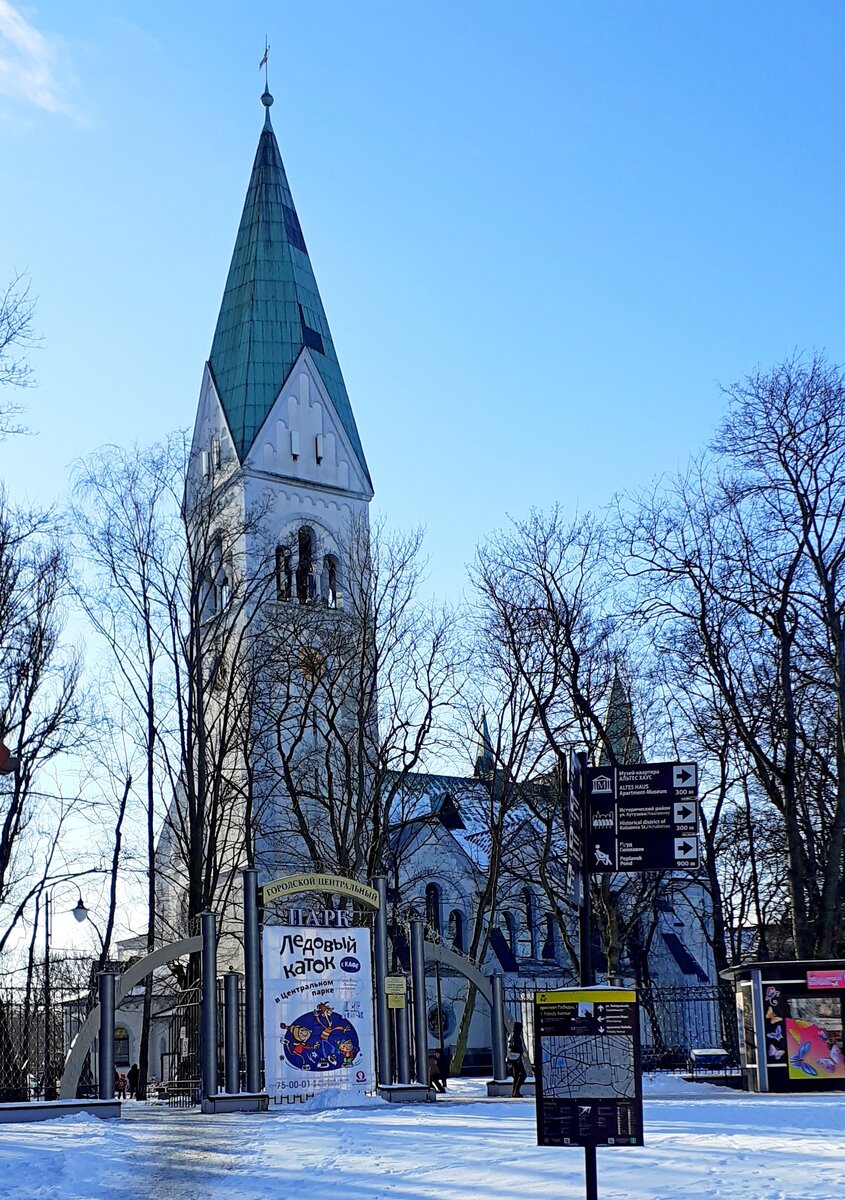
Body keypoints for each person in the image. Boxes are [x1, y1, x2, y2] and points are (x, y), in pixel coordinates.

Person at [507, 1022, 527, 1098]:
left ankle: (514, 1091)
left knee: (516, 1075)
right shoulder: (516, 1036)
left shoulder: (511, 1035)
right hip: (517, 1058)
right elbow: (518, 1048)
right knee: (522, 1074)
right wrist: (520, 1055)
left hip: (512, 1058)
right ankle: (516, 1091)